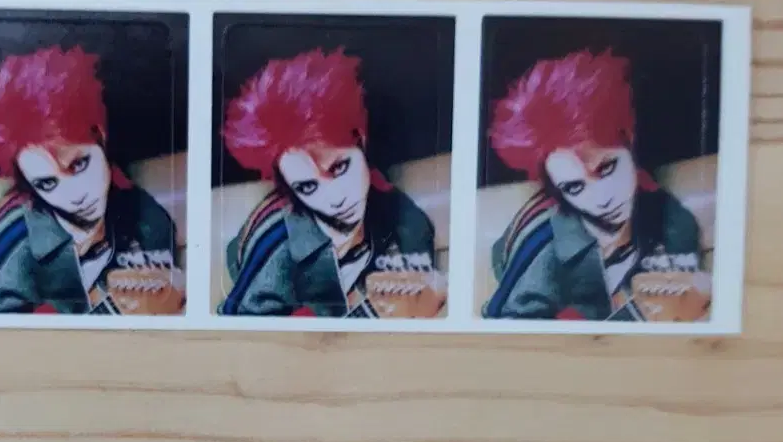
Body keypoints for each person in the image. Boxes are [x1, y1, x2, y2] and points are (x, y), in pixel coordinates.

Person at [483, 49, 708, 321]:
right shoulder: (544, 252)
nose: (602, 199)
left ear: (629, 138)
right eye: (574, 188)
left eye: (607, 168)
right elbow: (506, 330)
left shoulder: (673, 222)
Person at [218, 48, 442, 318]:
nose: (335, 199)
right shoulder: (277, 248)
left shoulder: (404, 221)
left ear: (361, 139)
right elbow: (238, 324)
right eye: (307, 187)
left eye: (339, 168)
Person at [0, 46, 182, 315]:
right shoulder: (17, 246)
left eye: (79, 164)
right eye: (47, 184)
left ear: (100, 135)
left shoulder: (147, 220)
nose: (75, 196)